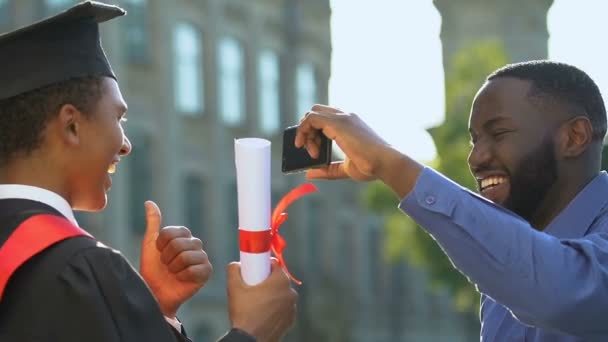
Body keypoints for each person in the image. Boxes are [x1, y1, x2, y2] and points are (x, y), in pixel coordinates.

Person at [0, 2, 297, 342]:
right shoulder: (80, 270)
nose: (126, 144)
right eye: (118, 118)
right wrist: (252, 331)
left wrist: (149, 311)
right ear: (71, 126)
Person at [295, 60, 608, 341]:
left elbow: (562, 292)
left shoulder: (524, 266)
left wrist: (391, 165)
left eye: (499, 133)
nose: (475, 158)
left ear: (574, 137)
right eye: (475, 140)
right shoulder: (503, 262)